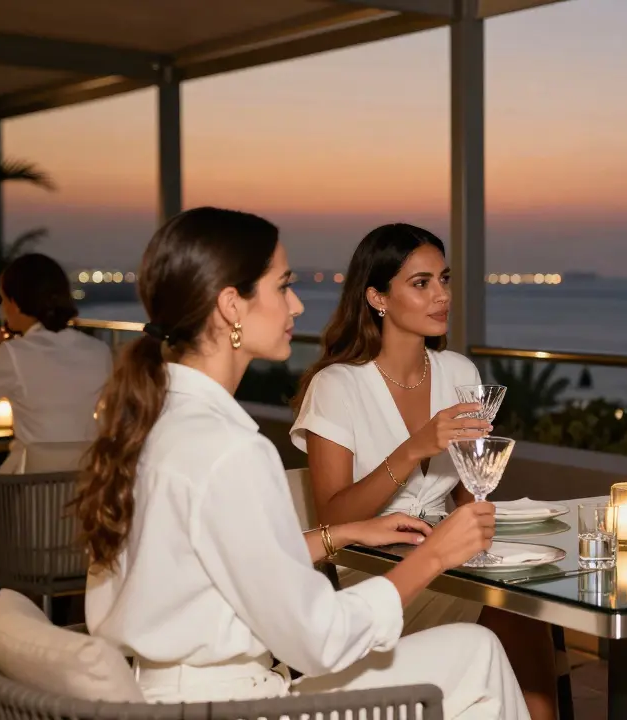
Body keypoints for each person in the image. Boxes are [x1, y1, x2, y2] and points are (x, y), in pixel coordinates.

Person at [76, 208, 528, 719]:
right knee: (479, 654)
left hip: (168, 697)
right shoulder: (231, 450)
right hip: (235, 707)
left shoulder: (152, 421)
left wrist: (346, 534)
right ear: (232, 306)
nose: (295, 304)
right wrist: (434, 556)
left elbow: (219, 562)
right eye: (282, 285)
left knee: (477, 651)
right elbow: (321, 641)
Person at [290, 224, 557, 720]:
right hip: (373, 571)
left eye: (445, 279)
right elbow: (332, 514)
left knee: (523, 599)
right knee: (510, 610)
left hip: (450, 557)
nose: (442, 295)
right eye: (421, 283)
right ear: (377, 297)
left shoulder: (459, 373)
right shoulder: (337, 386)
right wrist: (413, 449)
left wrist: (481, 520)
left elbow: (466, 489)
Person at [0, 253, 111, 473]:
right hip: (85, 485)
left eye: (3, 299)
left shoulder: (12, 353)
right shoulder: (99, 351)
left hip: (28, 486)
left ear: (15, 304)